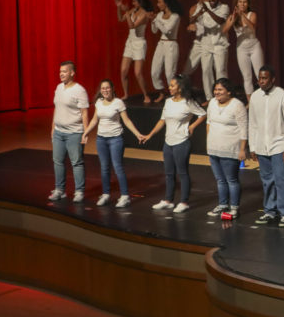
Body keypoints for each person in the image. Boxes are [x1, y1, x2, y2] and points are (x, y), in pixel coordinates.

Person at [141, 74, 206, 213]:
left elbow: (203, 114)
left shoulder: (188, 102)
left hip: (181, 142)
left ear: (180, 87)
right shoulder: (168, 101)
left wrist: (192, 126)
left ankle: (184, 202)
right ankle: (168, 200)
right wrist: (150, 135)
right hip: (168, 142)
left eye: (172, 85)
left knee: (182, 173)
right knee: (169, 173)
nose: (169, 88)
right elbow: (162, 120)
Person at [81, 79, 147, 208]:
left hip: (115, 139)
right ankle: (106, 194)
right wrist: (86, 132)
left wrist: (137, 133)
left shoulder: (118, 103)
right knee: (104, 168)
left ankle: (125, 196)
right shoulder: (99, 102)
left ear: (112, 88)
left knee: (117, 167)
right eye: (103, 88)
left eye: (107, 88)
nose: (105, 90)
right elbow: (95, 119)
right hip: (101, 139)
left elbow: (126, 121)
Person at [250, 66, 284, 227]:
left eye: (264, 78)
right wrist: (252, 146)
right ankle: (270, 211)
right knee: (267, 180)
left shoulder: (283, 96)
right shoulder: (255, 97)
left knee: (281, 179)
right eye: (260, 78)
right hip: (262, 145)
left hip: (279, 145)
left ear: (272, 79)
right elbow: (253, 123)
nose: (261, 81)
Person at [205, 78, 248, 219]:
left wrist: (242, 149)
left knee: (231, 180)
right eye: (215, 89)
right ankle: (223, 205)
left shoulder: (237, 105)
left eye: (220, 90)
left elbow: (244, 129)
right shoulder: (212, 103)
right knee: (220, 180)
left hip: (230, 149)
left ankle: (234, 208)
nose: (216, 92)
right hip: (214, 148)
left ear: (229, 92)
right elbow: (208, 122)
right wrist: (208, 141)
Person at [49, 61, 91, 203]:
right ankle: (59, 190)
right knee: (58, 161)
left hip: (75, 133)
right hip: (59, 132)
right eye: (60, 71)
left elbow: (84, 113)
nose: (61, 74)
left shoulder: (80, 90)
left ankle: (79, 191)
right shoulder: (59, 88)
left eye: (64, 71)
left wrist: (85, 132)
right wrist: (53, 127)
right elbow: (57, 108)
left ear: (72, 73)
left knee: (77, 162)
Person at [222, 0, 264, 96]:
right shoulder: (233, 16)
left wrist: (242, 16)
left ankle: (264, 97)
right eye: (240, 2)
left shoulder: (252, 14)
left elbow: (252, 27)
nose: (242, 4)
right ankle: (250, 102)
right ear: (236, 4)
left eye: (245, 2)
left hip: (254, 46)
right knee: (247, 76)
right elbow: (224, 30)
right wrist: (232, 21)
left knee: (260, 74)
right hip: (241, 48)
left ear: (248, 4)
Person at [116, 0, 155, 101]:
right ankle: (126, 94)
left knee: (138, 73)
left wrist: (127, 13)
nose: (133, 3)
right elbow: (120, 19)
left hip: (139, 43)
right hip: (130, 42)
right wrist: (119, 7)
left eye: (134, 1)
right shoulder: (133, 10)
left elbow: (132, 26)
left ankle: (146, 95)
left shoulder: (144, 14)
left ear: (140, 1)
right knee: (123, 70)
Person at [195, 0, 231, 100]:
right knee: (205, 70)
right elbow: (191, 19)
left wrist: (208, 11)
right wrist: (199, 12)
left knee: (220, 70)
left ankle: (223, 97)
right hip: (206, 43)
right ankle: (210, 98)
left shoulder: (224, 7)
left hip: (220, 43)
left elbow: (220, 21)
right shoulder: (203, 6)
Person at [149, 0, 182, 103]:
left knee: (169, 73)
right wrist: (153, 21)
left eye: (159, 2)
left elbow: (167, 31)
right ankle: (162, 92)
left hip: (171, 44)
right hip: (161, 44)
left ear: (166, 3)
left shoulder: (175, 16)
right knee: (154, 71)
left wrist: (156, 21)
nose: (157, 5)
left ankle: (174, 95)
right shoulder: (159, 15)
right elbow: (154, 31)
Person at [182, 0, 207, 79]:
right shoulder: (194, 8)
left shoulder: (214, 6)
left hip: (211, 41)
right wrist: (190, 28)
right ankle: (183, 90)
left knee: (208, 69)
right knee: (188, 68)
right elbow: (191, 25)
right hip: (199, 41)